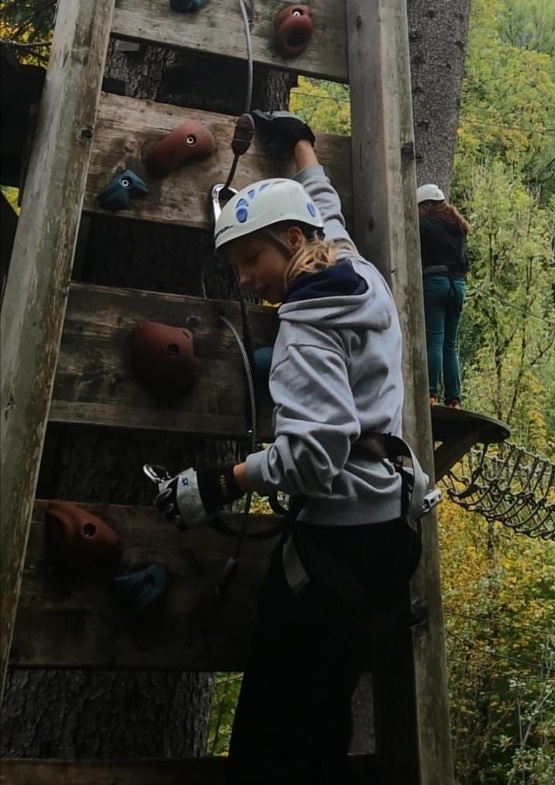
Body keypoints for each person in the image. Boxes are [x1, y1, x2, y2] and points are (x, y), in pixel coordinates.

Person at [151, 112, 422, 784]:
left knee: (276, 735)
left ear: (292, 241)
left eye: (252, 260)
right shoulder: (356, 272)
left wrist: (223, 481)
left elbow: (312, 456)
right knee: (322, 719)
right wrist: (300, 146)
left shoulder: (305, 332)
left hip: (340, 542)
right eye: (236, 265)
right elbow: (325, 210)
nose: (244, 279)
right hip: (389, 523)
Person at [417, 183, 470, 408]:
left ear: (426, 205)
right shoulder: (457, 226)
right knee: (450, 345)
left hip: (435, 284)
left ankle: (430, 394)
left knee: (434, 341)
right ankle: (453, 399)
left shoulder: (424, 225)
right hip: (457, 286)